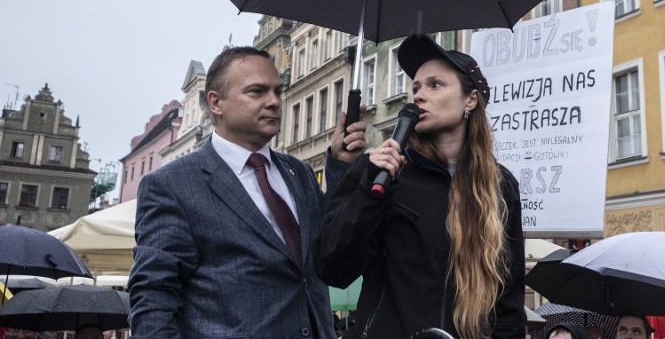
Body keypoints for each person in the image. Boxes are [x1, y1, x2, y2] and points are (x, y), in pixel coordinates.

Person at [129, 46, 366, 338]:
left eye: (278, 92)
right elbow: (154, 299)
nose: (274, 102)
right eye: (257, 92)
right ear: (216, 102)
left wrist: (341, 166)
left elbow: (328, 251)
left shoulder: (299, 173)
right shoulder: (173, 185)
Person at [313, 34, 525, 339]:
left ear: (470, 99)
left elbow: (509, 302)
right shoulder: (382, 169)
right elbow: (331, 266)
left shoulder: (501, 186)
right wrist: (371, 190)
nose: (419, 95)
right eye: (415, 88)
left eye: (435, 85)